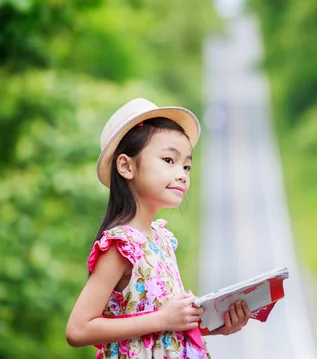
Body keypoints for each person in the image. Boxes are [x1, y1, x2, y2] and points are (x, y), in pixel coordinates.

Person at [66, 98, 251, 358]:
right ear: (126, 166)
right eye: (168, 160)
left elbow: (163, 329)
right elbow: (78, 329)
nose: (182, 174)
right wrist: (163, 319)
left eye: (186, 165)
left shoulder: (162, 239)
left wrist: (216, 324)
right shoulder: (121, 245)